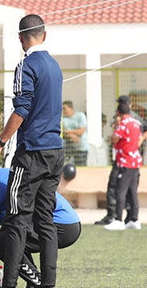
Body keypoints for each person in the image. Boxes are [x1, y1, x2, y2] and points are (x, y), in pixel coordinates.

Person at [0, 14, 64, 288]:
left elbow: (23, 108)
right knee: (45, 222)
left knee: (16, 220)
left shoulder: (26, 65)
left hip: (30, 153)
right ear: (44, 35)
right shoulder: (55, 66)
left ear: (21, 38)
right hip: (56, 151)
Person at [97, 95, 147, 225]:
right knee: (119, 187)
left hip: (127, 158)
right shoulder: (123, 118)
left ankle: (124, 218)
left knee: (123, 189)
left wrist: (140, 141)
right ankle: (116, 216)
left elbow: (115, 137)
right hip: (126, 157)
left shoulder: (133, 119)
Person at [62, 101, 88, 166]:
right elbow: (61, 131)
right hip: (68, 148)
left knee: (81, 167)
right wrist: (71, 136)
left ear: (71, 108)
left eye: (64, 108)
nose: (63, 111)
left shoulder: (80, 116)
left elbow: (81, 131)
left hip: (81, 147)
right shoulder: (63, 119)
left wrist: (67, 132)